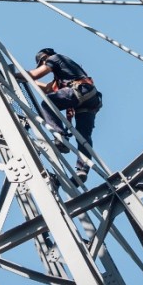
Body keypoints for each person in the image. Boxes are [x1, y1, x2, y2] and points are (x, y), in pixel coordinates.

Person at [26, 48, 103, 185]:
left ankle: (60, 136)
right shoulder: (63, 75)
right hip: (90, 99)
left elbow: (35, 75)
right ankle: (82, 170)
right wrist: (25, 78)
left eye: (43, 61)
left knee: (47, 103)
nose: (45, 64)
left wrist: (17, 74)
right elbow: (48, 88)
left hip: (80, 91)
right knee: (83, 136)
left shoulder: (55, 58)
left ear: (46, 57)